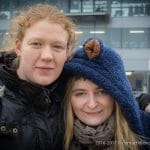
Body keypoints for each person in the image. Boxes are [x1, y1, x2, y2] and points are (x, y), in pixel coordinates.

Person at [0, 3, 76, 150]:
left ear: (67, 53)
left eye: (57, 46)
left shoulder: (74, 99)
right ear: (18, 47)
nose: (47, 56)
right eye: (36, 44)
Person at [63, 38, 150, 150]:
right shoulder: (52, 134)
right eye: (80, 94)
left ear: (117, 96)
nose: (92, 104)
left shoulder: (145, 134)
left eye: (102, 92)